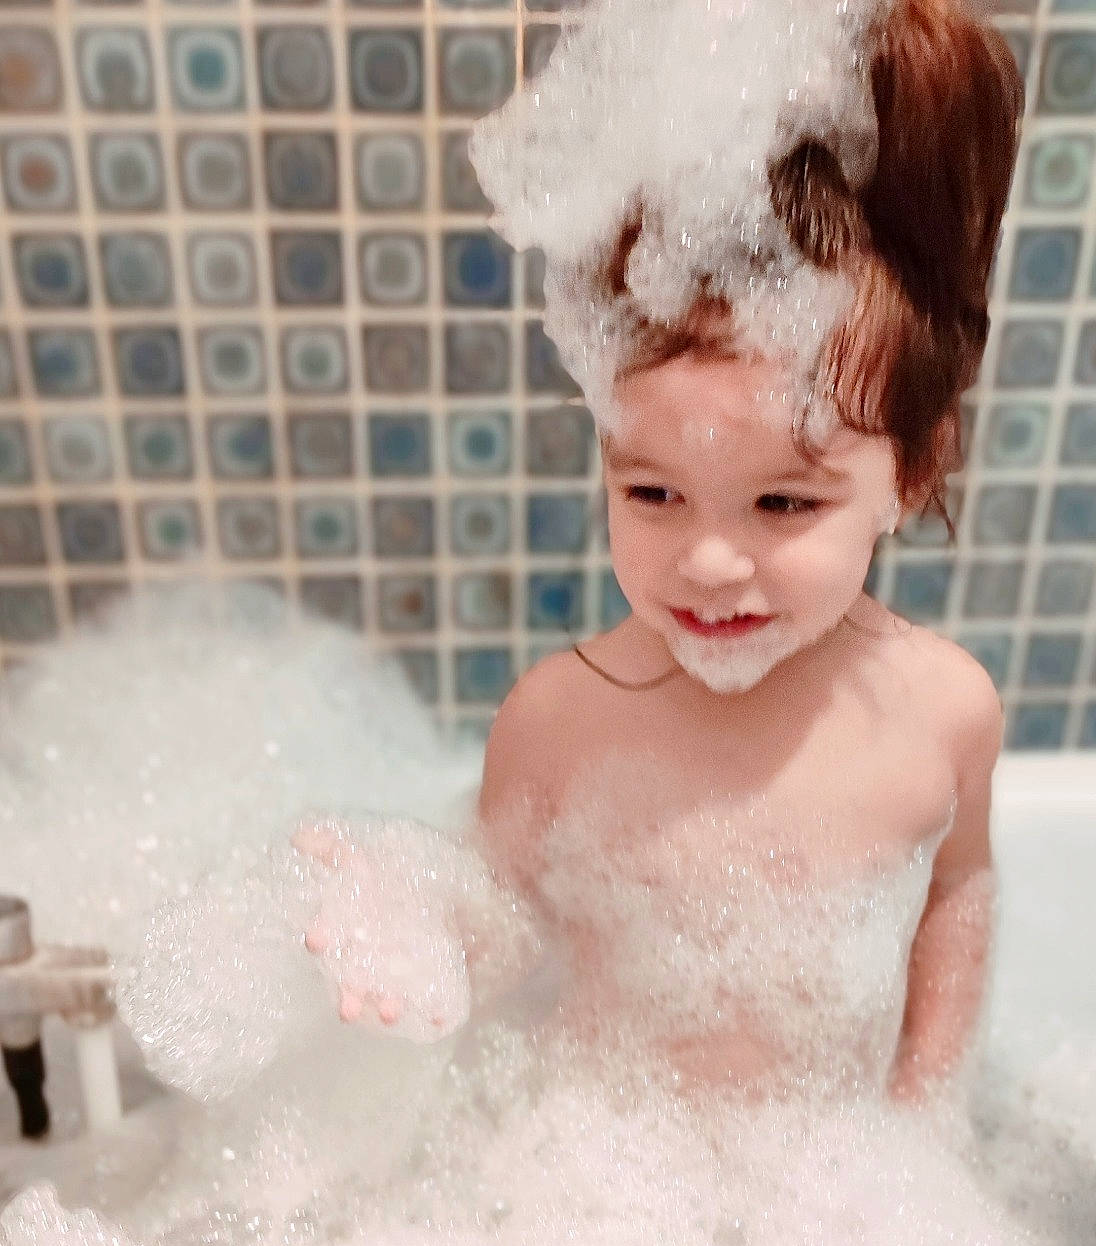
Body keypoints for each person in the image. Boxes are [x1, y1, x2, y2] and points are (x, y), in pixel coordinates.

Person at [299, 0, 1024, 1114]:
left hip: (848, 1208)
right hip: (602, 1203)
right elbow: (497, 929)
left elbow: (952, 895)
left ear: (912, 471)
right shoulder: (556, 721)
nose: (709, 560)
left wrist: (927, 1121)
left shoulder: (943, 712)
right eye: (651, 491)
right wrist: (412, 933)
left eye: (782, 500)